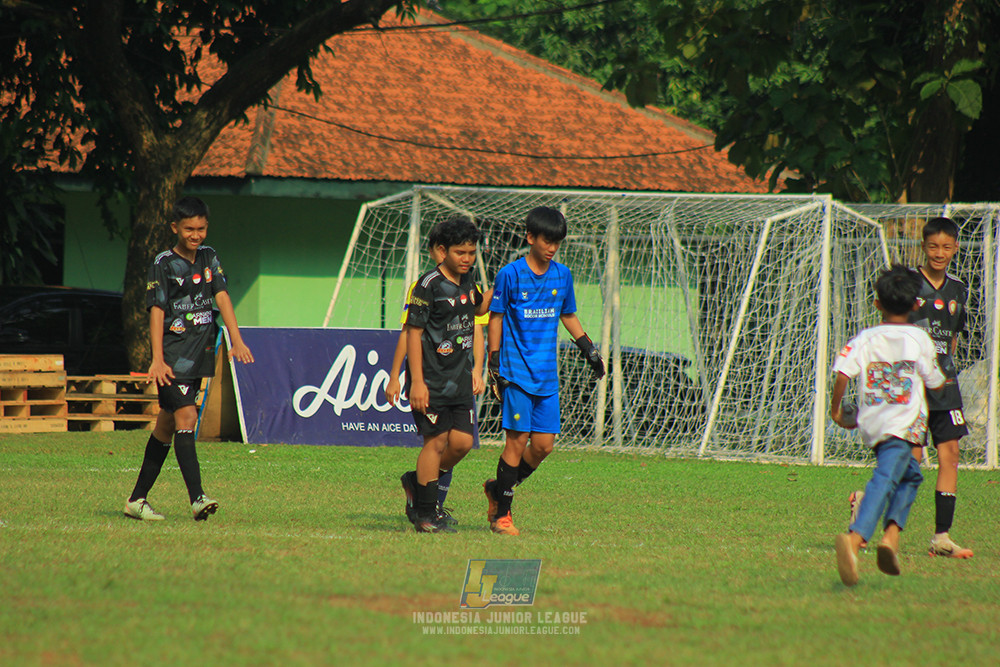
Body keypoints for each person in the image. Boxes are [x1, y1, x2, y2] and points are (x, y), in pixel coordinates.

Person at [124, 196, 254, 521]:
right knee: (186, 418)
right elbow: (156, 310)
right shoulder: (163, 263)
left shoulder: (209, 257)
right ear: (175, 228)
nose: (195, 235)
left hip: (199, 357)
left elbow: (221, 295)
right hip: (171, 360)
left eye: (201, 229)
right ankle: (197, 498)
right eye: (188, 229)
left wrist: (236, 340)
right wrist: (157, 359)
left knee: (166, 426)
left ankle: (136, 500)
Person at [849, 217, 973, 558]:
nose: (939, 253)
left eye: (946, 247)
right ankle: (868, 507)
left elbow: (953, 336)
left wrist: (947, 366)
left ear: (955, 249)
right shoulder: (908, 284)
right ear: (924, 246)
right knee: (911, 461)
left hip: (944, 385)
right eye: (933, 246)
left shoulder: (959, 288)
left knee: (950, 453)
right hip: (912, 388)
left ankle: (942, 537)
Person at [484, 206, 604, 536]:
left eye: (557, 242)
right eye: (546, 240)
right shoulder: (510, 274)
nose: (551, 247)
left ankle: (498, 490)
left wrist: (588, 348)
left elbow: (568, 315)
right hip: (517, 373)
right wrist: (493, 362)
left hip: (546, 377)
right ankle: (502, 516)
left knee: (543, 447)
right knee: (516, 440)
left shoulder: (562, 275)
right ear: (530, 238)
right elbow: (495, 317)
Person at [832, 265, 945, 586]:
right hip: (905, 425)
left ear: (877, 304)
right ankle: (854, 541)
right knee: (885, 477)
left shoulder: (866, 338)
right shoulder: (919, 337)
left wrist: (836, 410)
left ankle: (890, 538)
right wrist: (940, 382)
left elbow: (842, 373)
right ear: (914, 305)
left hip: (873, 423)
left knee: (911, 475)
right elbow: (933, 379)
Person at [386, 223, 489, 527]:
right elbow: (412, 333)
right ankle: (426, 513)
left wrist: (478, 369)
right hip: (430, 380)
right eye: (461, 252)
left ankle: (418, 484)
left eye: (472, 252)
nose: (467, 258)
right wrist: (410, 380)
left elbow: (482, 312)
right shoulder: (427, 285)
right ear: (442, 252)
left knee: (461, 444)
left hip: (459, 379)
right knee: (436, 442)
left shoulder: (471, 282)